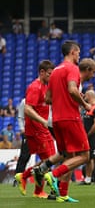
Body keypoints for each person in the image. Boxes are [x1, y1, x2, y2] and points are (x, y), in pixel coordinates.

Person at [43, 40, 95, 203]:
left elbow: (47, 98)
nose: (79, 55)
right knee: (85, 155)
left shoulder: (56, 71)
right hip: (70, 117)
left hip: (57, 119)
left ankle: (63, 194)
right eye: (78, 52)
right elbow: (73, 89)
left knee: (70, 156)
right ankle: (54, 174)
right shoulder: (72, 68)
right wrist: (85, 104)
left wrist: (62, 100)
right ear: (73, 52)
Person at [14, 60, 55, 198]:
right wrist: (43, 120)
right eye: (49, 74)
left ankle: (24, 177)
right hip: (36, 129)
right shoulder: (35, 87)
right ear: (42, 72)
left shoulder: (45, 86)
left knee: (50, 159)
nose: (51, 76)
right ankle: (38, 191)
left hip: (43, 128)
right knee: (47, 160)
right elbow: (27, 108)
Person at [79, 90, 95, 186]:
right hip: (87, 137)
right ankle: (88, 179)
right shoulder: (86, 109)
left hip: (94, 137)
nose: (85, 96)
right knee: (88, 158)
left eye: (86, 95)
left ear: (89, 96)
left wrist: (87, 134)